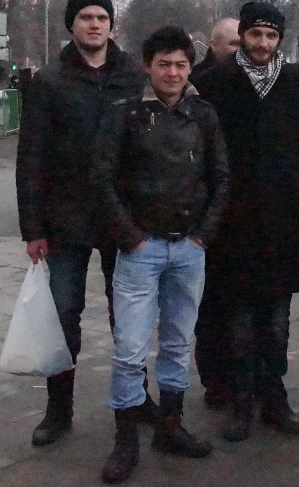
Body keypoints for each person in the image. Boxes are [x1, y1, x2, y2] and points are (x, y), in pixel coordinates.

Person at [94, 26, 229, 484]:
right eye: (164, 64)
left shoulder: (203, 115)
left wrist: (202, 236)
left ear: (190, 67)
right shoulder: (125, 114)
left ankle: (170, 426)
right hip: (142, 249)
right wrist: (129, 237)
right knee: (130, 349)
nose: (172, 73)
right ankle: (125, 440)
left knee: (178, 343)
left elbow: (221, 178)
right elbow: (103, 178)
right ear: (147, 66)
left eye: (181, 64)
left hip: (188, 248)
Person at [16, 0, 149, 447]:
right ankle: (58, 407)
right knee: (63, 314)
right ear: (72, 24)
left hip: (122, 217)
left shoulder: (133, 75)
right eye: (86, 17)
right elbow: (31, 158)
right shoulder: (50, 80)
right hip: (65, 219)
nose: (95, 24)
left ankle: (137, 398)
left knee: (128, 314)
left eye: (102, 17)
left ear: (112, 24)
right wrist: (33, 228)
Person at [193, 2, 299, 442]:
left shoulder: (298, 83)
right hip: (233, 224)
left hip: (284, 223)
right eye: (256, 35)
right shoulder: (215, 83)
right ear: (243, 35)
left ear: (279, 39)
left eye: (271, 36)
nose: (263, 44)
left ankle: (275, 396)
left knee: (278, 321)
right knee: (239, 321)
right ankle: (242, 399)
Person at [191, 16, 240, 406]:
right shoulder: (199, 85)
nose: (240, 50)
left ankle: (242, 375)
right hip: (205, 212)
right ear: (214, 45)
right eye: (233, 44)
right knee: (209, 305)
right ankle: (215, 380)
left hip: (240, 209)